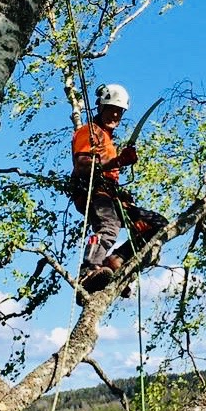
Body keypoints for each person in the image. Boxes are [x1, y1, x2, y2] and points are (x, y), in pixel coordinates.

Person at [69, 83, 166, 292]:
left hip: (111, 196)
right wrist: (118, 162)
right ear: (100, 108)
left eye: (118, 111)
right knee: (109, 226)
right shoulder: (89, 132)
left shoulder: (108, 140)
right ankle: (88, 270)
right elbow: (83, 165)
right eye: (110, 109)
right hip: (92, 192)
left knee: (156, 224)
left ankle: (115, 262)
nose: (114, 114)